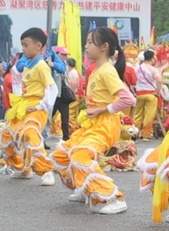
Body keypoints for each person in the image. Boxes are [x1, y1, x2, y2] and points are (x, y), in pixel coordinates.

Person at [54, 27, 133, 215]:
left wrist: (101, 109)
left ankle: (113, 197)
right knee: (62, 154)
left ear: (104, 47)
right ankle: (85, 187)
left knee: (80, 156)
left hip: (105, 125)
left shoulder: (107, 71)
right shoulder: (95, 69)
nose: (86, 46)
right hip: (92, 123)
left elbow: (128, 99)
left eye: (90, 42)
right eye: (87, 42)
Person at [3, 28, 58, 185]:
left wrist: (41, 106)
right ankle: (23, 168)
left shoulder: (41, 66)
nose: (23, 49)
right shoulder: (27, 65)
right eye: (22, 45)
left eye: (26, 45)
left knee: (30, 133)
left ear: (38, 46)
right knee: (8, 135)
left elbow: (52, 88)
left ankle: (46, 170)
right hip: (24, 105)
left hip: (36, 108)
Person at [131, 49, 166, 139]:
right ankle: (146, 134)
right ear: (152, 58)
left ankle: (134, 133)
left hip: (139, 94)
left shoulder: (136, 68)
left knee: (137, 114)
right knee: (149, 115)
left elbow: (133, 81)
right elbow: (159, 80)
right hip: (151, 94)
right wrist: (157, 92)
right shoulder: (153, 70)